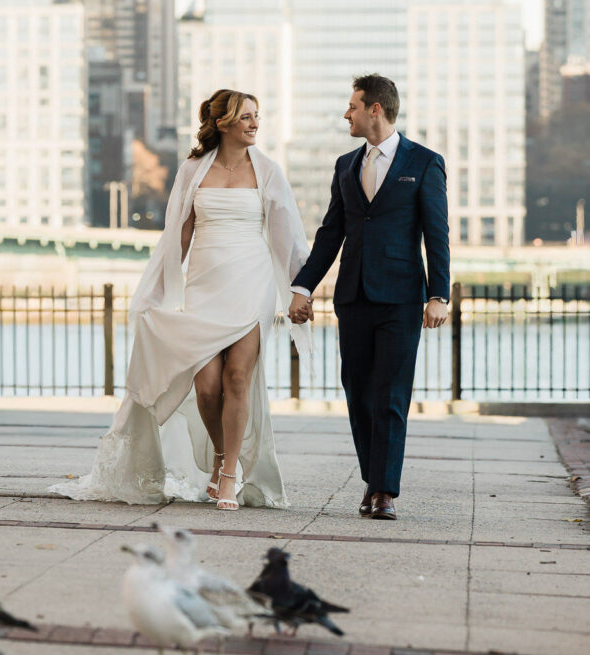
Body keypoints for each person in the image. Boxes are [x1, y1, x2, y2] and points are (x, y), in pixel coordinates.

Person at [51, 89, 311, 510]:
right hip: (205, 286)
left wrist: (300, 289)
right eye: (246, 117)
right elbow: (179, 237)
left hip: (251, 283)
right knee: (207, 387)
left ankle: (228, 476)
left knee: (238, 378)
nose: (254, 124)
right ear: (223, 123)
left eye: (257, 116)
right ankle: (224, 453)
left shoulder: (268, 171)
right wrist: (154, 295)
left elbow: (288, 238)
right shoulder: (193, 170)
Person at [289, 74, 450, 521]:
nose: (347, 113)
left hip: (401, 299)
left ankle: (384, 491)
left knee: (391, 395)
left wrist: (439, 294)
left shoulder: (425, 162)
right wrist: (303, 286)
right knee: (358, 393)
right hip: (353, 297)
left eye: (353, 106)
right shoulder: (345, 165)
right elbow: (330, 233)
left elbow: (437, 234)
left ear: (375, 109)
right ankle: (371, 478)